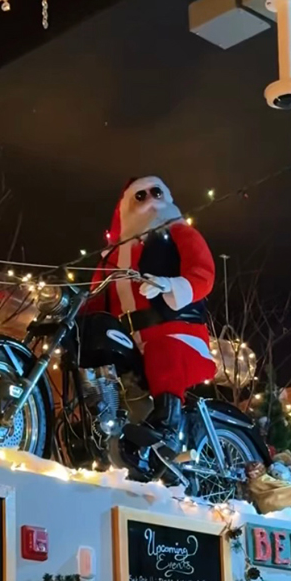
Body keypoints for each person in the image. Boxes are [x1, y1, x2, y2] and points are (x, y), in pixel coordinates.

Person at [81, 176, 215, 452]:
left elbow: (203, 273)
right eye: (140, 196)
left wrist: (172, 285)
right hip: (129, 343)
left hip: (179, 333)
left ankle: (167, 426)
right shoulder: (111, 259)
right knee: (99, 370)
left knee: (162, 352)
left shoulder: (180, 233)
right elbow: (95, 300)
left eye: (157, 192)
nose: (151, 200)